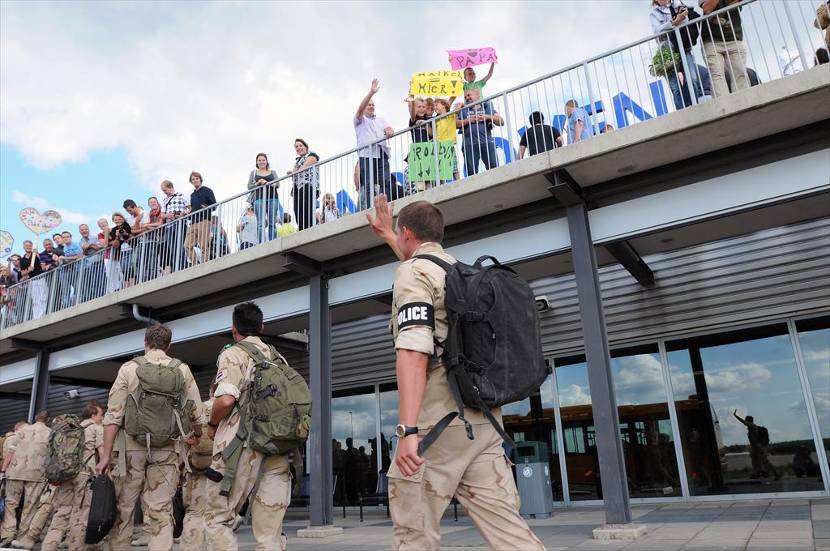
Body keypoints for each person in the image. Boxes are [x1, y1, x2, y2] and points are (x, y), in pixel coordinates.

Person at [366, 197, 546, 551]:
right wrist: (388, 234)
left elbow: (414, 353)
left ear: (408, 233)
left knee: (414, 533)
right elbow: (419, 263)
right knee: (509, 532)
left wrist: (408, 431)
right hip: (484, 422)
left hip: (438, 424)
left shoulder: (412, 273)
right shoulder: (459, 271)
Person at [96, 323, 205, 550]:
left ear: (145, 343)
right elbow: (196, 410)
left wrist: (105, 455)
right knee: (160, 510)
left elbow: (113, 416)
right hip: (166, 448)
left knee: (123, 509)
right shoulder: (181, 369)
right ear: (169, 345)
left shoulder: (128, 368)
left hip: (130, 450)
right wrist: (196, 434)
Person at [204, 302, 294, 550]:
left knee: (217, 519)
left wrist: (212, 423)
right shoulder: (279, 359)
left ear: (234, 330)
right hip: (277, 447)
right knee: (270, 532)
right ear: (261, 327)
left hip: (240, 448)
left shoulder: (233, 353)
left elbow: (225, 399)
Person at [14, 402, 105, 551]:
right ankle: (75, 547)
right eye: (101, 415)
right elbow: (102, 453)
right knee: (80, 514)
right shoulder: (96, 429)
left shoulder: (70, 428)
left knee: (61, 513)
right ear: (93, 415)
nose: (102, 418)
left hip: (65, 474)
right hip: (84, 475)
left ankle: (48, 547)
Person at [0, 412, 50, 547]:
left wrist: (3, 470)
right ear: (48, 420)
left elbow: (11, 451)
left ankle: (7, 534)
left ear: (35, 419)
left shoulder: (22, 430)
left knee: (11, 503)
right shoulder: (49, 433)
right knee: (30, 505)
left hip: (15, 471)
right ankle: (22, 537)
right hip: (36, 474)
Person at [650, 0, 704, 110]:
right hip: (668, 53)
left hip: (684, 48)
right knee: (675, 87)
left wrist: (676, 21)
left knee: (693, 79)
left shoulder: (679, 4)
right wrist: (675, 21)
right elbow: (657, 31)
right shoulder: (654, 14)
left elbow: (686, 21)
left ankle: (694, 107)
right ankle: (682, 111)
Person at [354, 78, 394, 211]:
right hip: (367, 155)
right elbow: (359, 110)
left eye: (373, 105)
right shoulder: (359, 120)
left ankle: (385, 206)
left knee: (386, 182)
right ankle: (371, 208)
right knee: (369, 183)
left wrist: (389, 131)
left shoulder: (381, 120)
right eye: (368, 105)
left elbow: (390, 130)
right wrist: (371, 92)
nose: (371, 106)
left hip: (381, 153)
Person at [181, 398, 214, 551]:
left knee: (195, 513)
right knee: (221, 517)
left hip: (198, 471)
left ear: (211, 391)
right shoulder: (235, 408)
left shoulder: (197, 409)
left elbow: (184, 440)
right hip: (224, 471)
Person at [699, 0, 748, 98]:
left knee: (740, 73)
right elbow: (707, 8)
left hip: (734, 37)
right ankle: (724, 108)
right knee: (717, 76)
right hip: (711, 40)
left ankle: (744, 103)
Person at [457, 87, 504, 176]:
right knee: (471, 171)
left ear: (477, 95)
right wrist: (470, 120)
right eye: (465, 97)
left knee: (494, 167)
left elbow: (501, 121)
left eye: (469, 95)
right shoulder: (463, 109)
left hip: (486, 142)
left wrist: (487, 117)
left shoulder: (487, 108)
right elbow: (456, 124)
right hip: (469, 144)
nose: (467, 98)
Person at [733, 410, 780, 480]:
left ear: (749, 421)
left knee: (764, 461)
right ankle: (756, 474)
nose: (746, 422)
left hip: (757, 447)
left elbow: (744, 422)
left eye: (746, 420)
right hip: (755, 447)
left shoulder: (752, 425)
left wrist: (736, 416)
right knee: (754, 461)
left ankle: (776, 474)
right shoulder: (751, 427)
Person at [185, 171, 217, 264]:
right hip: (193, 222)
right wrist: (187, 214)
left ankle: (205, 264)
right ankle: (195, 264)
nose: (195, 180)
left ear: (200, 179)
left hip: (204, 220)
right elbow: (193, 208)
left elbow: (214, 206)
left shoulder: (207, 190)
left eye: (196, 178)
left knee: (204, 245)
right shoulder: (192, 195)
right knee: (187, 245)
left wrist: (206, 207)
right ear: (191, 182)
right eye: (193, 179)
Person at [287, 139, 320, 231]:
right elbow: (296, 172)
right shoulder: (297, 161)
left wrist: (295, 171)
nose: (298, 148)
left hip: (308, 186)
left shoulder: (311, 155)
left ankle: (310, 229)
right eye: (296, 146)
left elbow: (305, 166)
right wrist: (292, 173)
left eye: (300, 145)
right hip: (297, 188)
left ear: (305, 146)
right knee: (298, 210)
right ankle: (302, 230)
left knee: (307, 208)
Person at [247, 153, 280, 242]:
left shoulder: (273, 172)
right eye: (259, 160)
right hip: (259, 199)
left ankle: (272, 241)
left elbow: (277, 184)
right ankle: (261, 243)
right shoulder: (253, 173)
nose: (262, 162)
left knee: (272, 223)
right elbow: (249, 187)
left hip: (273, 198)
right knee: (260, 224)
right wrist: (258, 183)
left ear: (266, 161)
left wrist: (267, 183)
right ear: (257, 162)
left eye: (263, 160)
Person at [160, 180, 190, 274]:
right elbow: (161, 215)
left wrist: (183, 213)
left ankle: (183, 267)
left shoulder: (182, 195)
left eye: (165, 190)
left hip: (180, 224)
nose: (164, 192)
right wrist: (167, 216)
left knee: (180, 247)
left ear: (170, 187)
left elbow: (190, 208)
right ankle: (177, 269)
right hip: (169, 226)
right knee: (172, 249)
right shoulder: (165, 200)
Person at [405, 95, 433, 193]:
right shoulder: (413, 120)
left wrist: (425, 124)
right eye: (419, 107)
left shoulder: (428, 119)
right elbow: (412, 113)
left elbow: (432, 133)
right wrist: (411, 102)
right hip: (418, 154)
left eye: (423, 107)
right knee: (420, 185)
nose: (421, 109)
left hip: (428, 153)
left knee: (430, 183)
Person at [433, 98, 461, 182]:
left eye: (436, 105)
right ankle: (441, 186)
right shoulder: (436, 119)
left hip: (448, 145)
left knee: (454, 166)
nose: (434, 107)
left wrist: (460, 105)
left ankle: (459, 182)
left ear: (444, 105)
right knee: (441, 168)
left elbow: (459, 107)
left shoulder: (450, 115)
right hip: (439, 146)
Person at [18, 240, 46, 319]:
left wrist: (37, 254)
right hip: (32, 280)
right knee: (35, 299)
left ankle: (43, 314)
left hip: (41, 278)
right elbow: (22, 273)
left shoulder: (36, 255)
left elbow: (42, 263)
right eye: (26, 246)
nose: (28, 247)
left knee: (43, 297)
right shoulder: (22, 260)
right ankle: (36, 316)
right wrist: (28, 270)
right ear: (23, 247)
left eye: (30, 245)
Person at [55, 231, 83, 309]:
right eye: (64, 237)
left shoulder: (76, 244)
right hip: (76, 269)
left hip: (85, 267)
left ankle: (81, 303)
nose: (66, 238)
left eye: (67, 237)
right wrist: (61, 260)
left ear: (71, 237)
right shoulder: (65, 248)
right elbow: (69, 260)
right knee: (76, 288)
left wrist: (64, 258)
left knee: (80, 287)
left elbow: (79, 256)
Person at [79, 223, 105, 302]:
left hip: (100, 261)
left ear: (88, 229)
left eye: (85, 229)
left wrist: (90, 245)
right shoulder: (81, 241)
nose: (84, 231)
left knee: (101, 280)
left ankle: (102, 298)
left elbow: (100, 247)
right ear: (80, 232)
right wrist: (86, 249)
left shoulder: (95, 237)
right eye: (82, 230)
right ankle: (97, 298)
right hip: (91, 264)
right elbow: (85, 253)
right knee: (94, 282)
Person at [107, 212, 132, 292]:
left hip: (131, 248)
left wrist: (125, 233)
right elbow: (115, 245)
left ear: (123, 218)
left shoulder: (126, 225)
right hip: (122, 252)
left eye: (120, 218)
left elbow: (133, 236)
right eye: (116, 219)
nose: (118, 220)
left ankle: (132, 285)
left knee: (131, 267)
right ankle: (127, 287)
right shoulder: (113, 230)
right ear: (113, 221)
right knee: (124, 269)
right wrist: (117, 236)